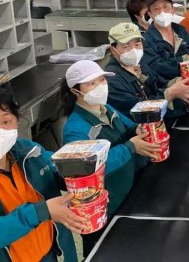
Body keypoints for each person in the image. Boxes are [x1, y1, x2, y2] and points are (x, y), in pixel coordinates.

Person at [61, 60, 160, 256]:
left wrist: (139, 129)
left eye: (102, 80)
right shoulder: (76, 130)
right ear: (75, 91)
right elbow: (86, 170)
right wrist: (130, 147)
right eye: (91, 83)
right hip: (106, 207)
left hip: (128, 191)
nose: (100, 86)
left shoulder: (106, 109)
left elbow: (128, 126)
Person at [0, 88, 81, 262]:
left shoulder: (28, 151)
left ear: (17, 121)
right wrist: (41, 212)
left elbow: (57, 169)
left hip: (51, 253)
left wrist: (82, 177)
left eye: (5, 121)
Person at [105, 23, 189, 120]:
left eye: (137, 44)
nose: (133, 50)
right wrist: (170, 94)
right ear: (113, 50)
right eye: (126, 46)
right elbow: (136, 110)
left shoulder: (140, 65)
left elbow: (159, 82)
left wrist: (178, 81)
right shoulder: (111, 78)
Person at [141, 0, 189, 81]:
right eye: (156, 9)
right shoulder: (146, 39)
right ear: (150, 14)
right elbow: (156, 66)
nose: (162, 12)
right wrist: (184, 59)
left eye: (166, 7)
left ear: (173, 10)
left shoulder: (181, 30)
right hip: (167, 85)